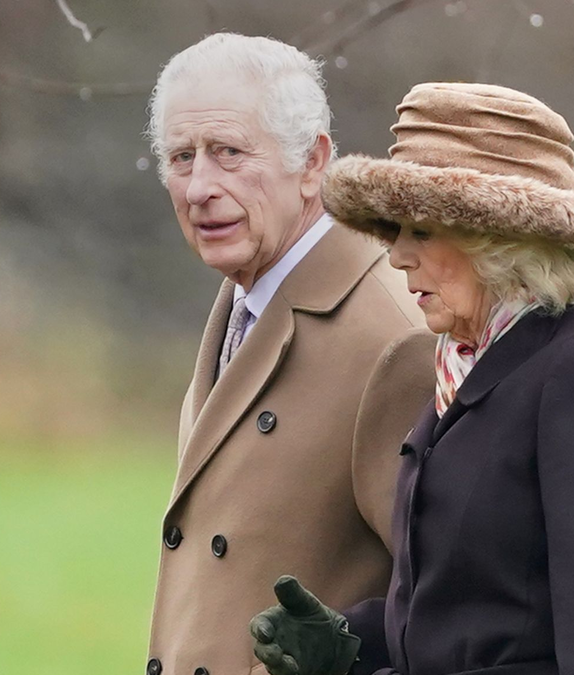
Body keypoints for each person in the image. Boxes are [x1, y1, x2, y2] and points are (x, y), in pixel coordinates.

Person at [249, 83, 574, 675]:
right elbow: (481, 605)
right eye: (395, 230)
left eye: (422, 231)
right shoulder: (472, 361)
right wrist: (349, 643)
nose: (397, 255)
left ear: (499, 238)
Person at [144, 34, 435, 675]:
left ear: (312, 163)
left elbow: (448, 602)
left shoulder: (392, 334)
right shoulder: (244, 296)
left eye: (228, 153)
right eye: (180, 157)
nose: (198, 188)